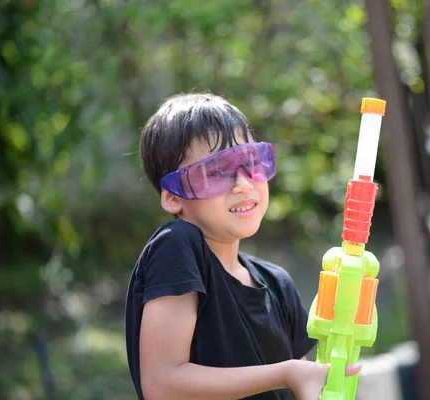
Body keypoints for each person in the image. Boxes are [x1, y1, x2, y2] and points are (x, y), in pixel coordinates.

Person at [125, 93, 361, 400]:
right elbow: (162, 384)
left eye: (250, 162)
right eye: (217, 171)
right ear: (173, 196)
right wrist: (285, 373)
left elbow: (301, 385)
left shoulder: (277, 283)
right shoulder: (177, 245)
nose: (243, 184)